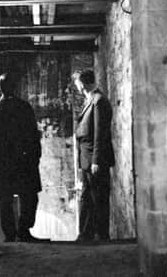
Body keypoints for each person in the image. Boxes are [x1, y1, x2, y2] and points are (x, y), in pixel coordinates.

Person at [0, 73, 46, 243]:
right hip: (22, 160)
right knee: (28, 196)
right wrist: (35, 155)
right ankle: (24, 231)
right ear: (14, 87)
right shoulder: (24, 107)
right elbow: (33, 134)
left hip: (1, 161)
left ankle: (9, 235)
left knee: (5, 198)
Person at [73, 69, 115, 242]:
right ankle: (86, 234)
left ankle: (101, 235)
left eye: (77, 84)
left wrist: (96, 160)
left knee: (98, 198)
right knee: (87, 197)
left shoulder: (98, 101)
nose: (77, 88)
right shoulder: (90, 100)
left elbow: (100, 133)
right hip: (87, 158)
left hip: (93, 159)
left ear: (82, 83)